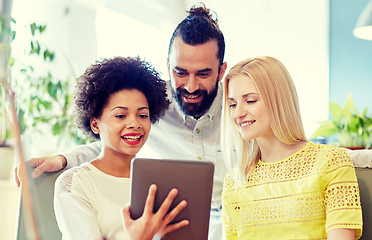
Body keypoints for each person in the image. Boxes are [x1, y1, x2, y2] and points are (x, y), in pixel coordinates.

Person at [16, 4, 228, 239]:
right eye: (180, 72)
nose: (190, 86)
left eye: (143, 115)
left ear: (221, 72)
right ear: (168, 67)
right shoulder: (75, 184)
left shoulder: (240, 108)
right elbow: (109, 145)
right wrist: (64, 159)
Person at [221, 56, 363, 239]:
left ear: (278, 100)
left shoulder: (331, 162)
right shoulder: (234, 182)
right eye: (232, 104)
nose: (238, 113)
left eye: (250, 101)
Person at [53, 56, 189, 240]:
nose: (134, 123)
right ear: (95, 124)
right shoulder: (75, 184)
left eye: (142, 115)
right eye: (120, 116)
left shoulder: (159, 182)